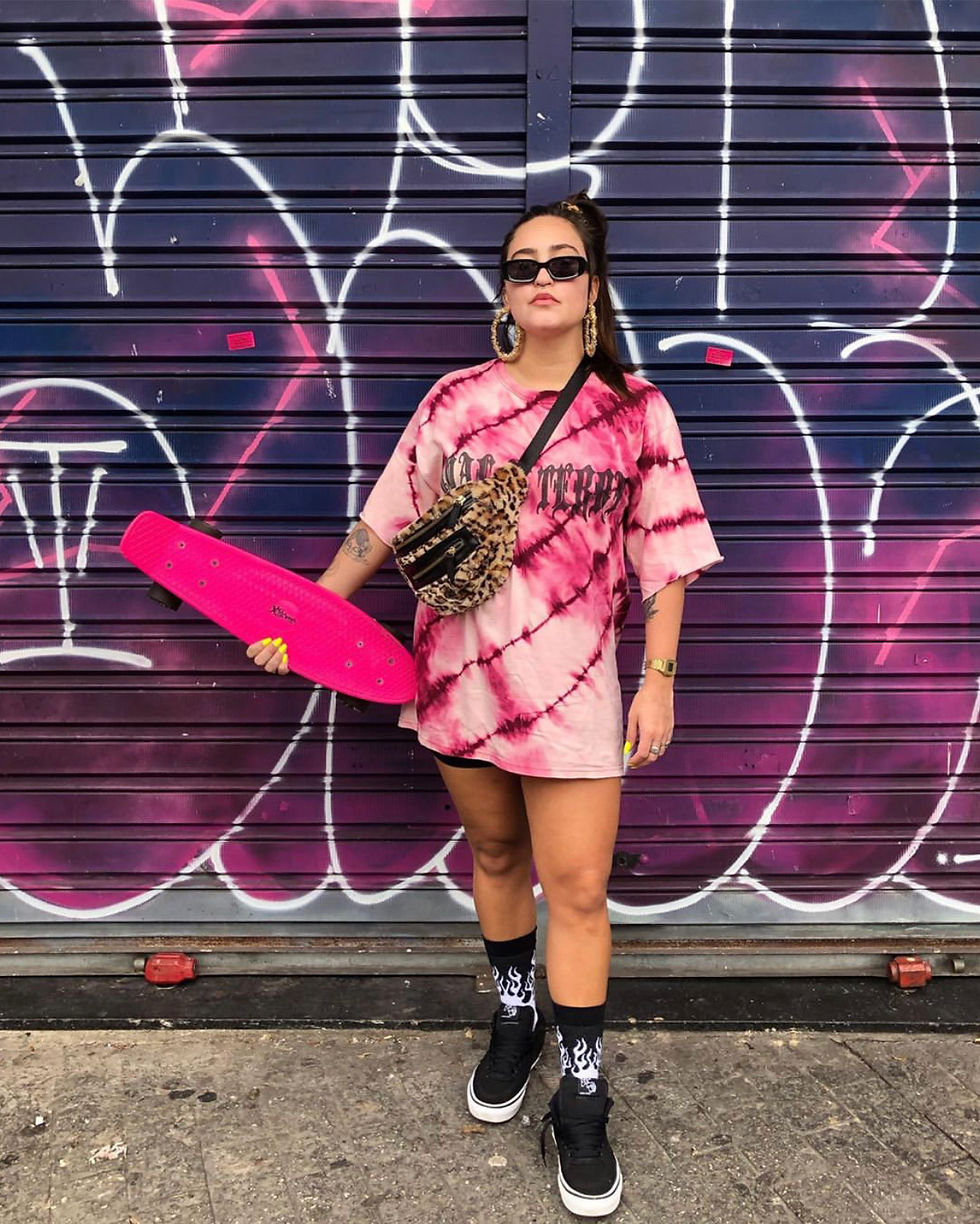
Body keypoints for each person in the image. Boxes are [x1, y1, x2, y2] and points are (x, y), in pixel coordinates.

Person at [247, 191, 722, 1218]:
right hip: (458, 677)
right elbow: (381, 525)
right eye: (522, 266)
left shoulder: (636, 411)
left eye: (562, 263)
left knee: (579, 890)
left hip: (574, 687)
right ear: (503, 290)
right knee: (497, 857)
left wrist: (658, 677)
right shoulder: (455, 401)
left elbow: (669, 554)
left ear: (593, 285)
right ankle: (515, 1017)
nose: (541, 279)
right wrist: (304, 620)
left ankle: (582, 1095)